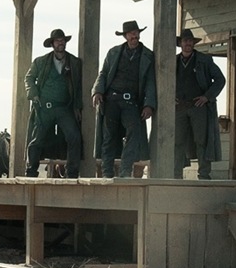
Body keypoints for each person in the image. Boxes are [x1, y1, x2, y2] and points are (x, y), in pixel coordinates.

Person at [91, 20, 156, 177]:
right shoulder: (114, 52)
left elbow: (150, 81)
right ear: (126, 36)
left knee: (133, 132)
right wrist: (97, 91)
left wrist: (149, 104)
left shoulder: (147, 55)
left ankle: (126, 171)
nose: (134, 35)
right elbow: (104, 73)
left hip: (131, 102)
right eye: (130, 33)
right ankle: (107, 172)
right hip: (112, 99)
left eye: (136, 32)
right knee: (109, 136)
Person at [23, 28, 83, 177]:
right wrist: (34, 94)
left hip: (64, 108)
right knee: (37, 140)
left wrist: (77, 106)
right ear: (52, 44)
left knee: (74, 136)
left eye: (63, 40)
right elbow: (29, 78)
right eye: (57, 41)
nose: (60, 43)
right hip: (45, 108)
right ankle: (31, 171)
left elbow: (80, 85)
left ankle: (72, 172)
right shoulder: (41, 61)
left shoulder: (74, 62)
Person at [173, 29, 226, 179]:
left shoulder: (204, 60)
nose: (187, 43)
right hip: (179, 107)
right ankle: (176, 176)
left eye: (190, 41)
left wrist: (207, 97)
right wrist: (170, 97)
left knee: (201, 141)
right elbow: (163, 81)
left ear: (193, 43)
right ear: (180, 43)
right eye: (185, 40)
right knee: (177, 142)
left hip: (199, 107)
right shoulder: (173, 61)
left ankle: (204, 174)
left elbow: (220, 80)